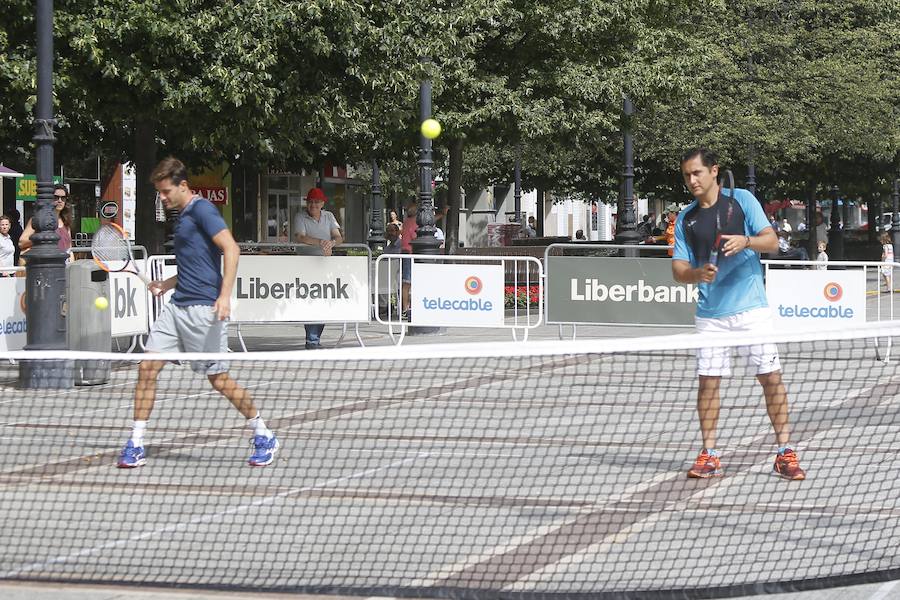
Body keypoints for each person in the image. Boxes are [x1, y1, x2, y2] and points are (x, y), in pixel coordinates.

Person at [117, 157, 279, 468]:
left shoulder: (203, 209)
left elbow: (231, 248)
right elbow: (195, 263)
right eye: (159, 193)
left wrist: (224, 296)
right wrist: (166, 283)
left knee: (217, 379)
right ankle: (136, 442)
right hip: (177, 307)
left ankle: (263, 433)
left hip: (205, 309)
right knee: (147, 368)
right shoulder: (180, 217)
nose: (162, 198)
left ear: (182, 185)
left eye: (165, 192)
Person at [672, 147, 805, 481]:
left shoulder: (742, 200)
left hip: (751, 310)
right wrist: (695, 275)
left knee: (771, 378)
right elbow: (678, 268)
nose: (692, 180)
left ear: (714, 171)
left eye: (697, 173)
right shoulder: (685, 217)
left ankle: (784, 452)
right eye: (687, 175)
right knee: (708, 384)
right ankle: (709, 455)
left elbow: (772, 242)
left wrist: (746, 242)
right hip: (710, 315)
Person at [294, 187, 343, 349]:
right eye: (310, 202)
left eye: (316, 202)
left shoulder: (329, 216)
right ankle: (312, 339)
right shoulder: (300, 217)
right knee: (310, 300)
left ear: (322, 203)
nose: (313, 205)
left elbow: (338, 236)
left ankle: (314, 338)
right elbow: (300, 237)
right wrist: (321, 242)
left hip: (325, 264)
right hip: (306, 264)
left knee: (323, 300)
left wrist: (332, 243)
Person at [19, 184, 72, 258]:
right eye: (56, 197)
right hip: (44, 263)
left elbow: (69, 249)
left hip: (63, 264)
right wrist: (42, 238)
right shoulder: (38, 219)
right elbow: (22, 242)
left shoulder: (66, 222)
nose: (60, 201)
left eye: (63, 198)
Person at [399, 201, 418, 318]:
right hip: (410, 253)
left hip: (406, 252)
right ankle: (406, 308)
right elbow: (415, 237)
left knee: (407, 282)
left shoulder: (406, 222)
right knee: (407, 282)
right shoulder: (414, 223)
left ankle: (406, 308)